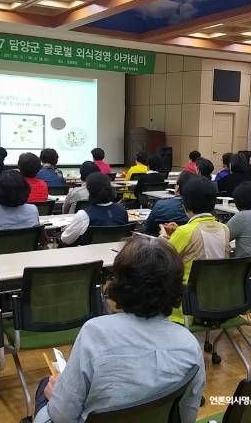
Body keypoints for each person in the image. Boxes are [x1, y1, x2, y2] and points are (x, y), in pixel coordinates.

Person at [32, 236, 205, 423]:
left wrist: (55, 396)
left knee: (46, 387)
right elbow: (187, 416)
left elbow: (62, 417)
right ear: (176, 287)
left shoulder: (95, 333)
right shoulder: (189, 345)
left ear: (120, 283)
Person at [160, 176, 230, 324]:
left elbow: (163, 260)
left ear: (185, 203)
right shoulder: (224, 229)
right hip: (217, 300)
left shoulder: (185, 232)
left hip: (186, 305)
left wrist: (162, 238)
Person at [61, 172, 128, 246]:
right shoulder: (122, 211)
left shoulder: (83, 215)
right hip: (117, 251)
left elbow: (66, 240)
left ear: (89, 191)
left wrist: (65, 231)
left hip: (89, 252)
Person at [143, 171, 193, 236]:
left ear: (177, 188)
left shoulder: (160, 205)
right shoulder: (196, 210)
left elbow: (148, 228)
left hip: (160, 240)